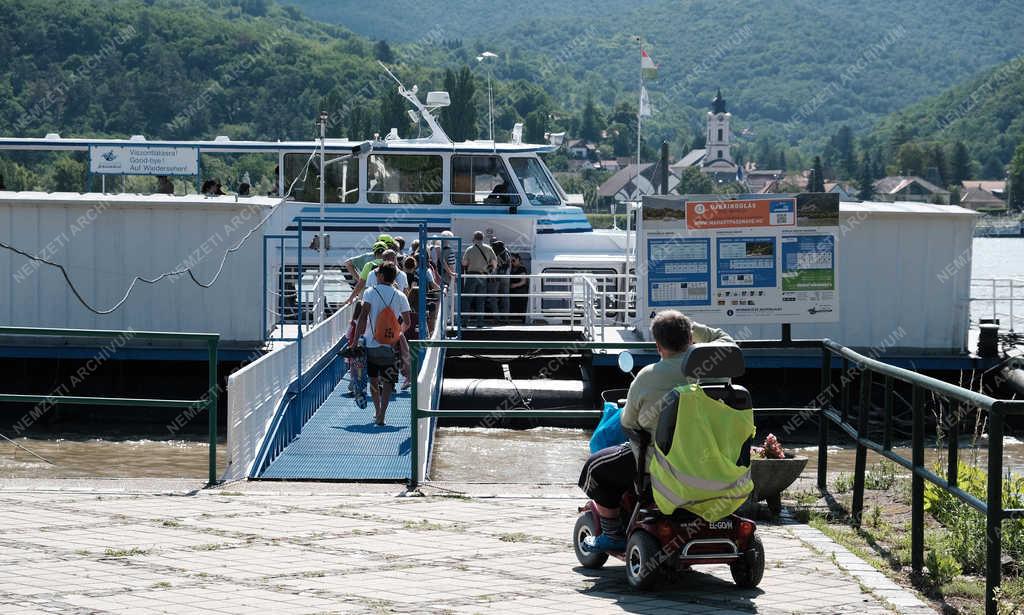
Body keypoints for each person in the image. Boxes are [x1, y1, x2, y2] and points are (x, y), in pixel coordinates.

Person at [578, 310, 733, 553]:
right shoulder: (715, 366)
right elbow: (726, 340)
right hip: (714, 458)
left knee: (595, 468)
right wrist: (692, 328)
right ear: (691, 339)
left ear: (658, 345)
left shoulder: (648, 377)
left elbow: (628, 423)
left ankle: (612, 534)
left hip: (660, 463)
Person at [352, 262, 412, 425]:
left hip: (371, 344)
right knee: (388, 381)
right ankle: (382, 414)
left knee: (372, 379)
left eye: (377, 273)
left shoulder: (370, 292)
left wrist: (356, 340)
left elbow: (363, 318)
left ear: (381, 276)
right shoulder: (400, 296)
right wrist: (397, 333)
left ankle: (377, 409)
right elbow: (408, 321)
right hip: (390, 346)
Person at [461, 230, 497, 326]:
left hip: (471, 276)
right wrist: (490, 270)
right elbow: (494, 263)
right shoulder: (489, 249)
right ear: (483, 238)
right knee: (480, 300)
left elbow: (464, 263)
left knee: (467, 299)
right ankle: (480, 322)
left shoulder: (469, 249)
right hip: (483, 276)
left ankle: (464, 322)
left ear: (474, 238)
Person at [487, 239, 511, 322]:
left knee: (493, 298)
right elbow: (509, 265)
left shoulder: (493, 251)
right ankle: (506, 318)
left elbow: (491, 266)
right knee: (505, 298)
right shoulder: (507, 251)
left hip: (495, 278)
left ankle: (497, 318)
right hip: (506, 277)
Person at [508, 253, 529, 322]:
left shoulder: (522, 268)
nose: (512, 262)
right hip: (512, 290)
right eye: (510, 261)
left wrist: (515, 285)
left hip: (520, 290)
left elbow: (523, 281)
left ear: (518, 260)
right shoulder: (510, 269)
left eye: (513, 260)